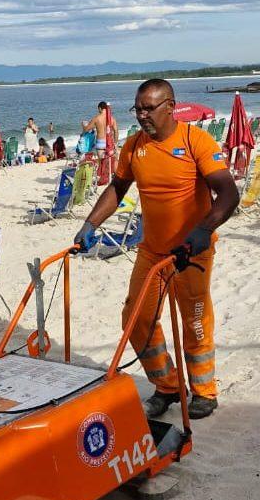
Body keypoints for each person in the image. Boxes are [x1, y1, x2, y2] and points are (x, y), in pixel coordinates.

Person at [74, 79, 239, 419]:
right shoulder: (134, 146)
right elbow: (118, 187)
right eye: (138, 109)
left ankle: (204, 391)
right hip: (152, 251)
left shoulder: (197, 141)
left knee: (194, 323)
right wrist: (91, 223)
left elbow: (228, 193)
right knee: (137, 320)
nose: (142, 116)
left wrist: (204, 230)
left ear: (170, 106)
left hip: (191, 252)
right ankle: (166, 385)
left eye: (149, 108)